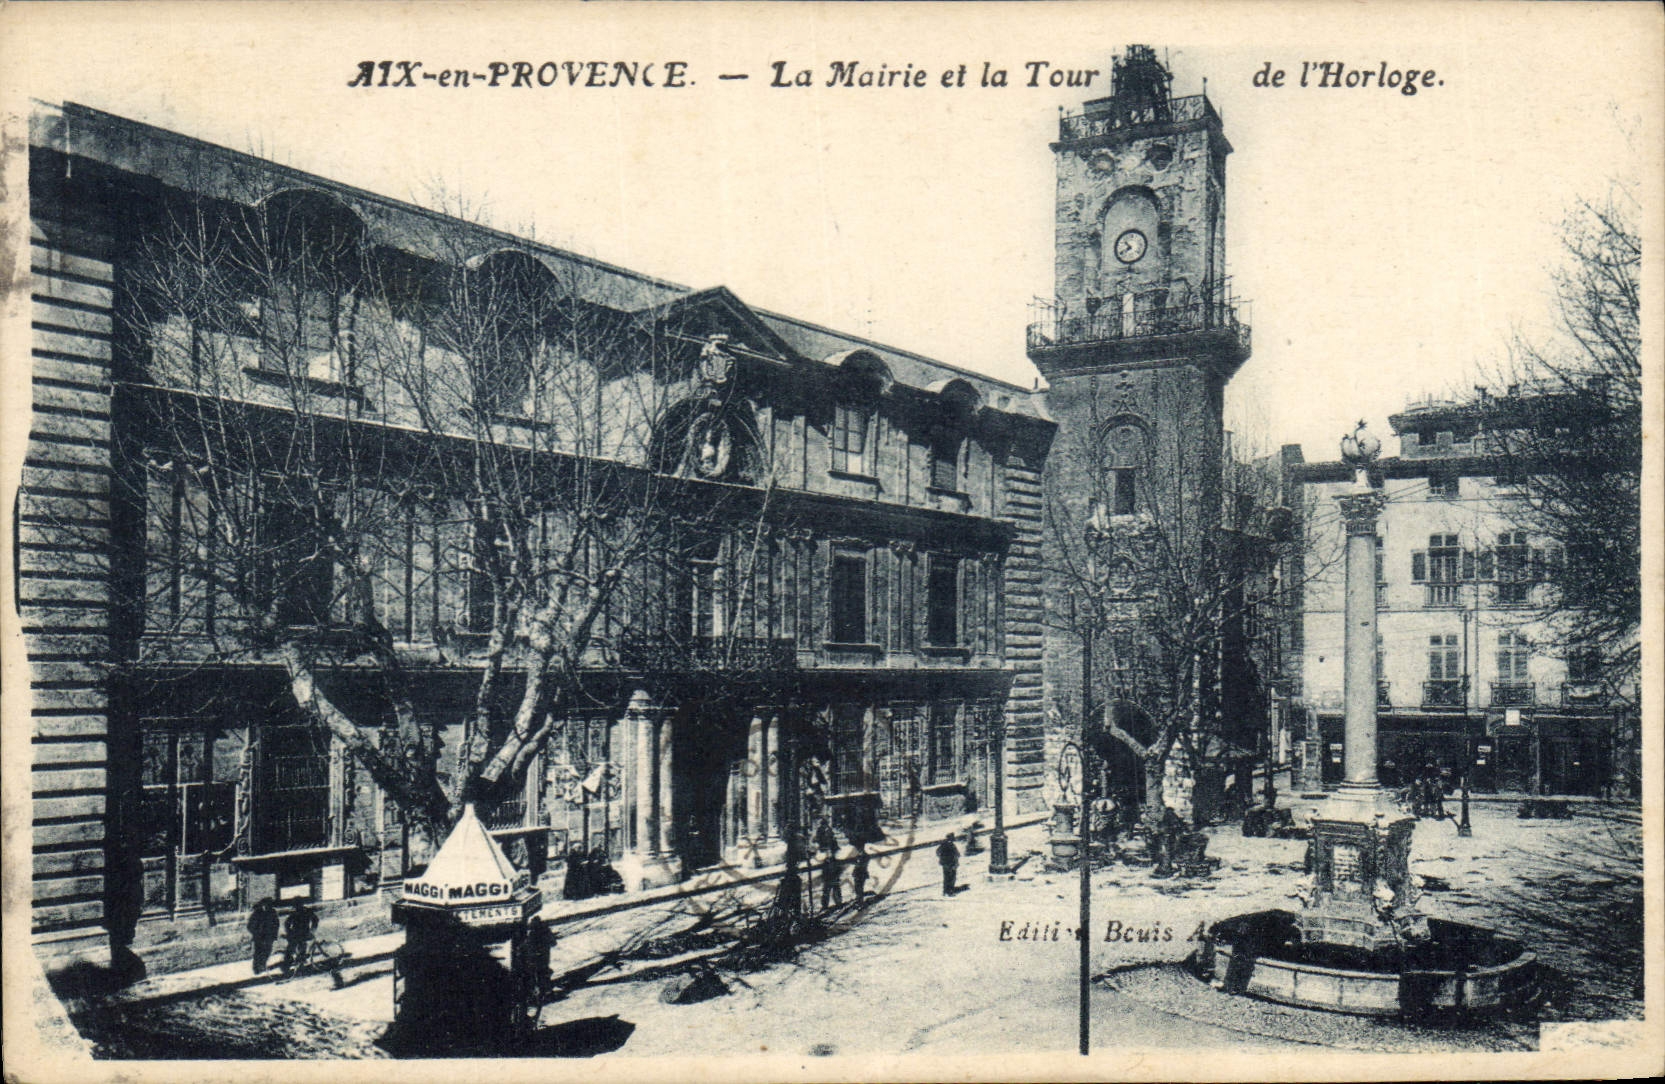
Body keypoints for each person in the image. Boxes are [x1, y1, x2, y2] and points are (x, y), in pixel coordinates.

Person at [281, 901, 319, 975]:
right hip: (300, 934)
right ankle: (294, 965)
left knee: (297, 949)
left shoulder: (298, 912)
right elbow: (315, 920)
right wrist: (312, 930)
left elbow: (287, 923)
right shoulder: (305, 911)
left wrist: (289, 932)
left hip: (300, 934)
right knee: (298, 949)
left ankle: (296, 965)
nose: (297, 907)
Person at [247, 897, 280, 974]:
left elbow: (276, 924)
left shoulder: (272, 913)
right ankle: (256, 969)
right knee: (258, 952)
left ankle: (262, 966)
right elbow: (250, 926)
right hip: (259, 937)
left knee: (267, 951)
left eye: (269, 905)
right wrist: (256, 933)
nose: (267, 906)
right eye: (266, 905)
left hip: (269, 937)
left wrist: (274, 935)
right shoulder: (257, 914)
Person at [820, 844, 843, 910]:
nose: (829, 854)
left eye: (830, 852)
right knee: (826, 893)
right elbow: (824, 871)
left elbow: (839, 870)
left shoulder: (836, 861)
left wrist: (837, 876)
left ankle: (839, 903)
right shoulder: (826, 861)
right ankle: (824, 906)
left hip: (834, 878)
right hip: (828, 879)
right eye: (828, 853)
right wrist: (824, 877)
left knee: (836, 891)